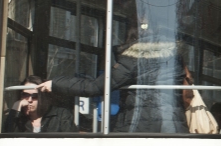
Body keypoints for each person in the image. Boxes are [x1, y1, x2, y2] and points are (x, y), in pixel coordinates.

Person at [37, 31, 188, 134]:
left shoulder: (133, 58)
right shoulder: (175, 59)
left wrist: (55, 84)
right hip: (174, 124)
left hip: (138, 126)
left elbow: (94, 87)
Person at [3, 75, 75, 133]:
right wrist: (16, 107)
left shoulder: (61, 115)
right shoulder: (18, 118)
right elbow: (7, 137)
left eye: (35, 96)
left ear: (42, 97)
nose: (30, 100)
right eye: (25, 95)